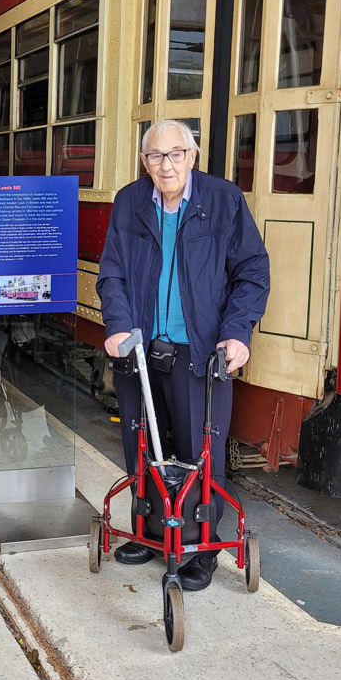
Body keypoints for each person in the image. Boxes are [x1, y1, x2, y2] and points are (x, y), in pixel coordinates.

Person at [96, 119, 270, 591]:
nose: (165, 164)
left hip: (201, 353)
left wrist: (236, 332)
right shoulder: (130, 202)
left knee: (200, 452)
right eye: (155, 156)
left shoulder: (223, 200)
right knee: (141, 446)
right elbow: (111, 272)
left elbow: (252, 270)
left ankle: (202, 545)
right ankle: (150, 533)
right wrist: (115, 326)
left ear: (192, 157)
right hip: (141, 348)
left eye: (175, 154)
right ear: (145, 162)